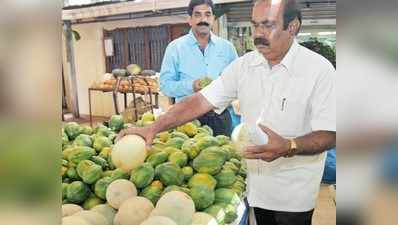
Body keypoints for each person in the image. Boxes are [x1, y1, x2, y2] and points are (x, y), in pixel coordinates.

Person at [118, 0, 336, 224]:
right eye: (255, 25)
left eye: (268, 25)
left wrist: (289, 146)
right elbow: (199, 101)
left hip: (294, 195)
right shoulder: (244, 66)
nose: (258, 34)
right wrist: (153, 128)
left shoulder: (319, 71)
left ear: (293, 27)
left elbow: (331, 133)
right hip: (256, 189)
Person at [159, 0, 238, 136]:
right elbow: (165, 85)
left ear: (213, 19)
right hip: (187, 120)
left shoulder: (227, 48)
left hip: (221, 117)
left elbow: (238, 80)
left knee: (224, 154)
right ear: (189, 20)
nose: (203, 19)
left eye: (208, 15)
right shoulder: (175, 48)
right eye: (198, 15)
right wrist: (191, 86)